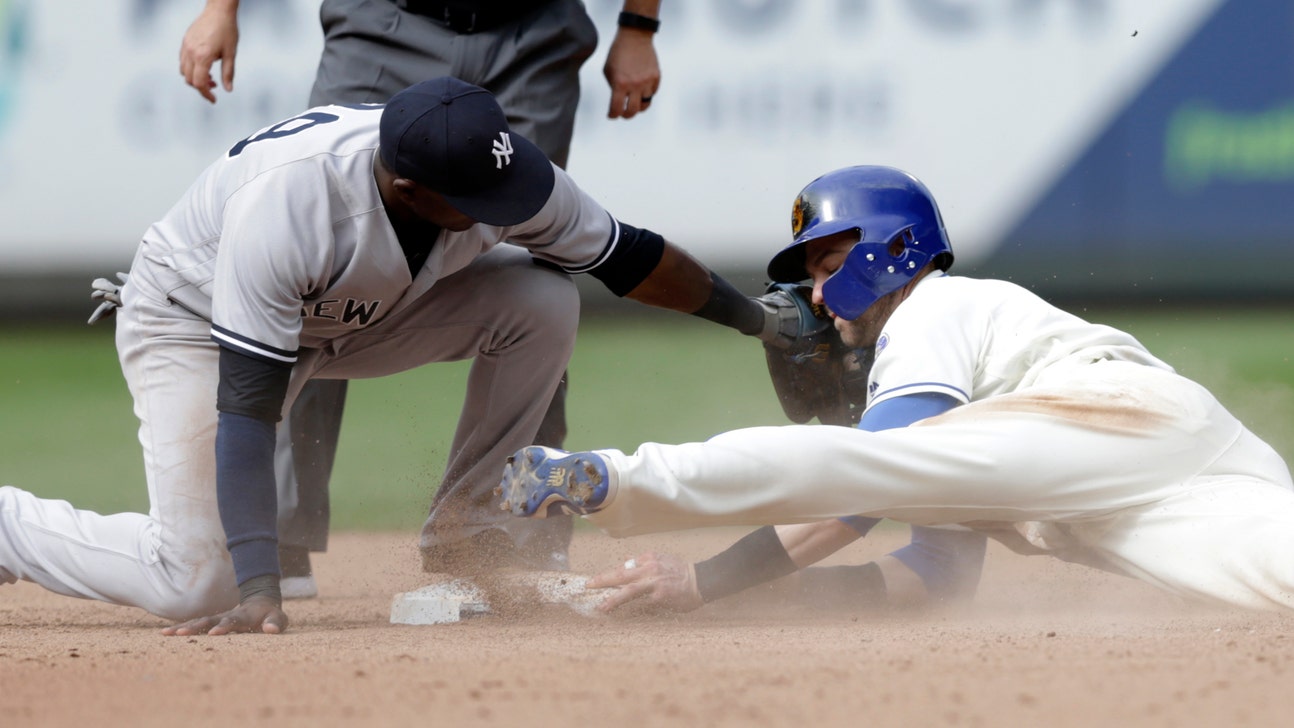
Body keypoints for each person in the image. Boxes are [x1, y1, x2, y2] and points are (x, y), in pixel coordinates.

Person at [1, 78, 813, 635]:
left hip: (352, 316)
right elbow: (248, 410)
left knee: (543, 298)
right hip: (195, 325)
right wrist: (256, 586)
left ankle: (467, 534)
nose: (511, 206)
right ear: (408, 189)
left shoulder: (491, 173)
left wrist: (756, 322)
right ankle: (10, 528)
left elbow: (628, 257)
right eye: (480, 201)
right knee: (195, 581)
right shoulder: (290, 207)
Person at [498, 165, 1294, 614]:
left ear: (896, 251)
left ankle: (615, 476)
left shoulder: (933, 308)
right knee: (1273, 575)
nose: (814, 295)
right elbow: (937, 579)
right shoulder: (966, 447)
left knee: (856, 459)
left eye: (827, 264)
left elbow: (860, 480)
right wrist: (760, 601)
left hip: (1114, 418)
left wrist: (706, 581)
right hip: (1164, 474)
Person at [176, 0, 664, 588]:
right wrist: (219, 8)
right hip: (382, 22)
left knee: (537, 266)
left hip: (533, 28)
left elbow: (599, 247)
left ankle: (511, 527)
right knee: (315, 259)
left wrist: (638, 25)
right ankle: (275, 536)